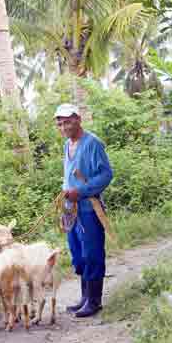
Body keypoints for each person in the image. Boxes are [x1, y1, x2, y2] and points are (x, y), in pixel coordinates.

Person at [54, 103, 113, 317]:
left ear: (78, 119)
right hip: (70, 209)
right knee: (78, 255)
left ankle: (94, 301)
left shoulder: (93, 143)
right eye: (60, 124)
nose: (64, 127)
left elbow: (106, 175)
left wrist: (82, 191)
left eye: (67, 122)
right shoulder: (67, 145)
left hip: (89, 209)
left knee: (92, 254)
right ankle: (84, 297)